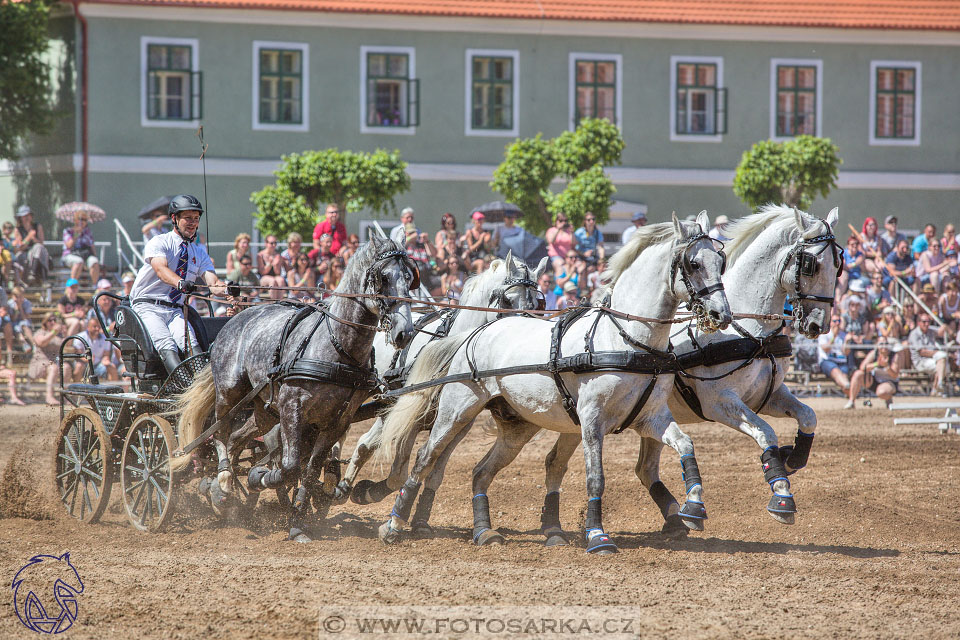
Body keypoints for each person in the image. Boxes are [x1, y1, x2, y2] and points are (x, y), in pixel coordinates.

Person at [128, 194, 230, 375]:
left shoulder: (199, 253)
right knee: (167, 346)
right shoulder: (160, 242)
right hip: (148, 305)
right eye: (188, 218)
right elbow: (161, 270)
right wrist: (181, 283)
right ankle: (183, 390)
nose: (193, 223)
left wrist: (229, 289)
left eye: (196, 219)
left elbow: (213, 284)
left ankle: (202, 388)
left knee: (192, 346)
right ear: (174, 218)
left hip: (175, 310)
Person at [846, 337, 900, 409]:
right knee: (858, 374)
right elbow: (863, 367)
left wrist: (886, 366)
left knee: (882, 392)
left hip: (889, 382)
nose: (884, 346)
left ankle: (888, 398)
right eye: (881, 344)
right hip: (874, 381)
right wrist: (877, 364)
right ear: (877, 345)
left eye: (886, 343)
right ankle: (851, 401)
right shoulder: (874, 353)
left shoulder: (894, 356)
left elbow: (895, 375)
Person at [30, 312, 71, 405]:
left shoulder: (57, 335)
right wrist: (53, 332)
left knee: (66, 367)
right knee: (54, 368)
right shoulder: (40, 332)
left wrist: (65, 334)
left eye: (54, 320)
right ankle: (49, 396)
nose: (53, 322)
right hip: (39, 363)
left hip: (53, 363)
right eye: (50, 320)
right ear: (45, 322)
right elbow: (42, 342)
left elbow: (67, 345)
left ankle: (65, 396)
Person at [908, 313, 950, 396]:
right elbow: (922, 352)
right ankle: (937, 386)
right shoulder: (914, 334)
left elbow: (940, 331)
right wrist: (938, 353)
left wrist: (944, 327)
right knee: (943, 364)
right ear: (919, 322)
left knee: (942, 362)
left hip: (933, 359)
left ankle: (937, 386)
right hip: (920, 361)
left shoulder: (930, 330)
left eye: (928, 321)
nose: (926, 324)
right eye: (924, 322)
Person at [71, 316, 119, 382]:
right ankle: (76, 388)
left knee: (111, 367)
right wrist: (88, 359)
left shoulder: (104, 338)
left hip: (98, 364)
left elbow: (106, 354)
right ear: (88, 327)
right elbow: (79, 355)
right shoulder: (80, 337)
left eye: (98, 327)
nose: (97, 329)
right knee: (79, 366)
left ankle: (113, 390)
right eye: (94, 327)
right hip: (84, 364)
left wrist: (105, 360)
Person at [13, 205, 50, 284]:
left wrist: (34, 239)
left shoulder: (37, 226)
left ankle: (33, 272)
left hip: (37, 253)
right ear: (20, 218)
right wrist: (29, 237)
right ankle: (35, 276)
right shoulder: (18, 229)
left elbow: (41, 243)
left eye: (28, 215)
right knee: (35, 250)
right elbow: (20, 247)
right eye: (24, 216)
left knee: (38, 247)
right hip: (25, 253)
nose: (26, 218)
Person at [61, 212, 101, 285]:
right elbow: (69, 246)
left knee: (94, 261)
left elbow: (91, 245)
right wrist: (76, 234)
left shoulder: (88, 231)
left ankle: (95, 286)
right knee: (79, 261)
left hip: (85, 255)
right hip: (70, 255)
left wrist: (95, 256)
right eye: (80, 219)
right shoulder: (68, 231)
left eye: (85, 220)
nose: (82, 221)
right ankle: (72, 286)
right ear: (75, 220)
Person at [818, 314, 853, 394]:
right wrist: (834, 336)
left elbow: (846, 352)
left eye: (839, 321)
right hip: (827, 361)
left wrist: (847, 342)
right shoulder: (824, 334)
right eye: (834, 321)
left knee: (843, 376)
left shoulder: (844, 335)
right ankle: (850, 388)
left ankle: (850, 397)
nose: (837, 323)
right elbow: (826, 349)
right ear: (830, 322)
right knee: (835, 371)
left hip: (841, 361)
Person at [257, 234, 286, 300]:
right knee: (272, 281)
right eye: (271, 243)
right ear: (266, 243)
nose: (274, 245)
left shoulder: (278, 255)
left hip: (274, 276)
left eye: (275, 243)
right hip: (263, 278)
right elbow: (262, 272)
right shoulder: (260, 255)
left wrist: (276, 265)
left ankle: (279, 302)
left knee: (281, 280)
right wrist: (270, 264)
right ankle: (273, 302)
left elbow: (278, 273)